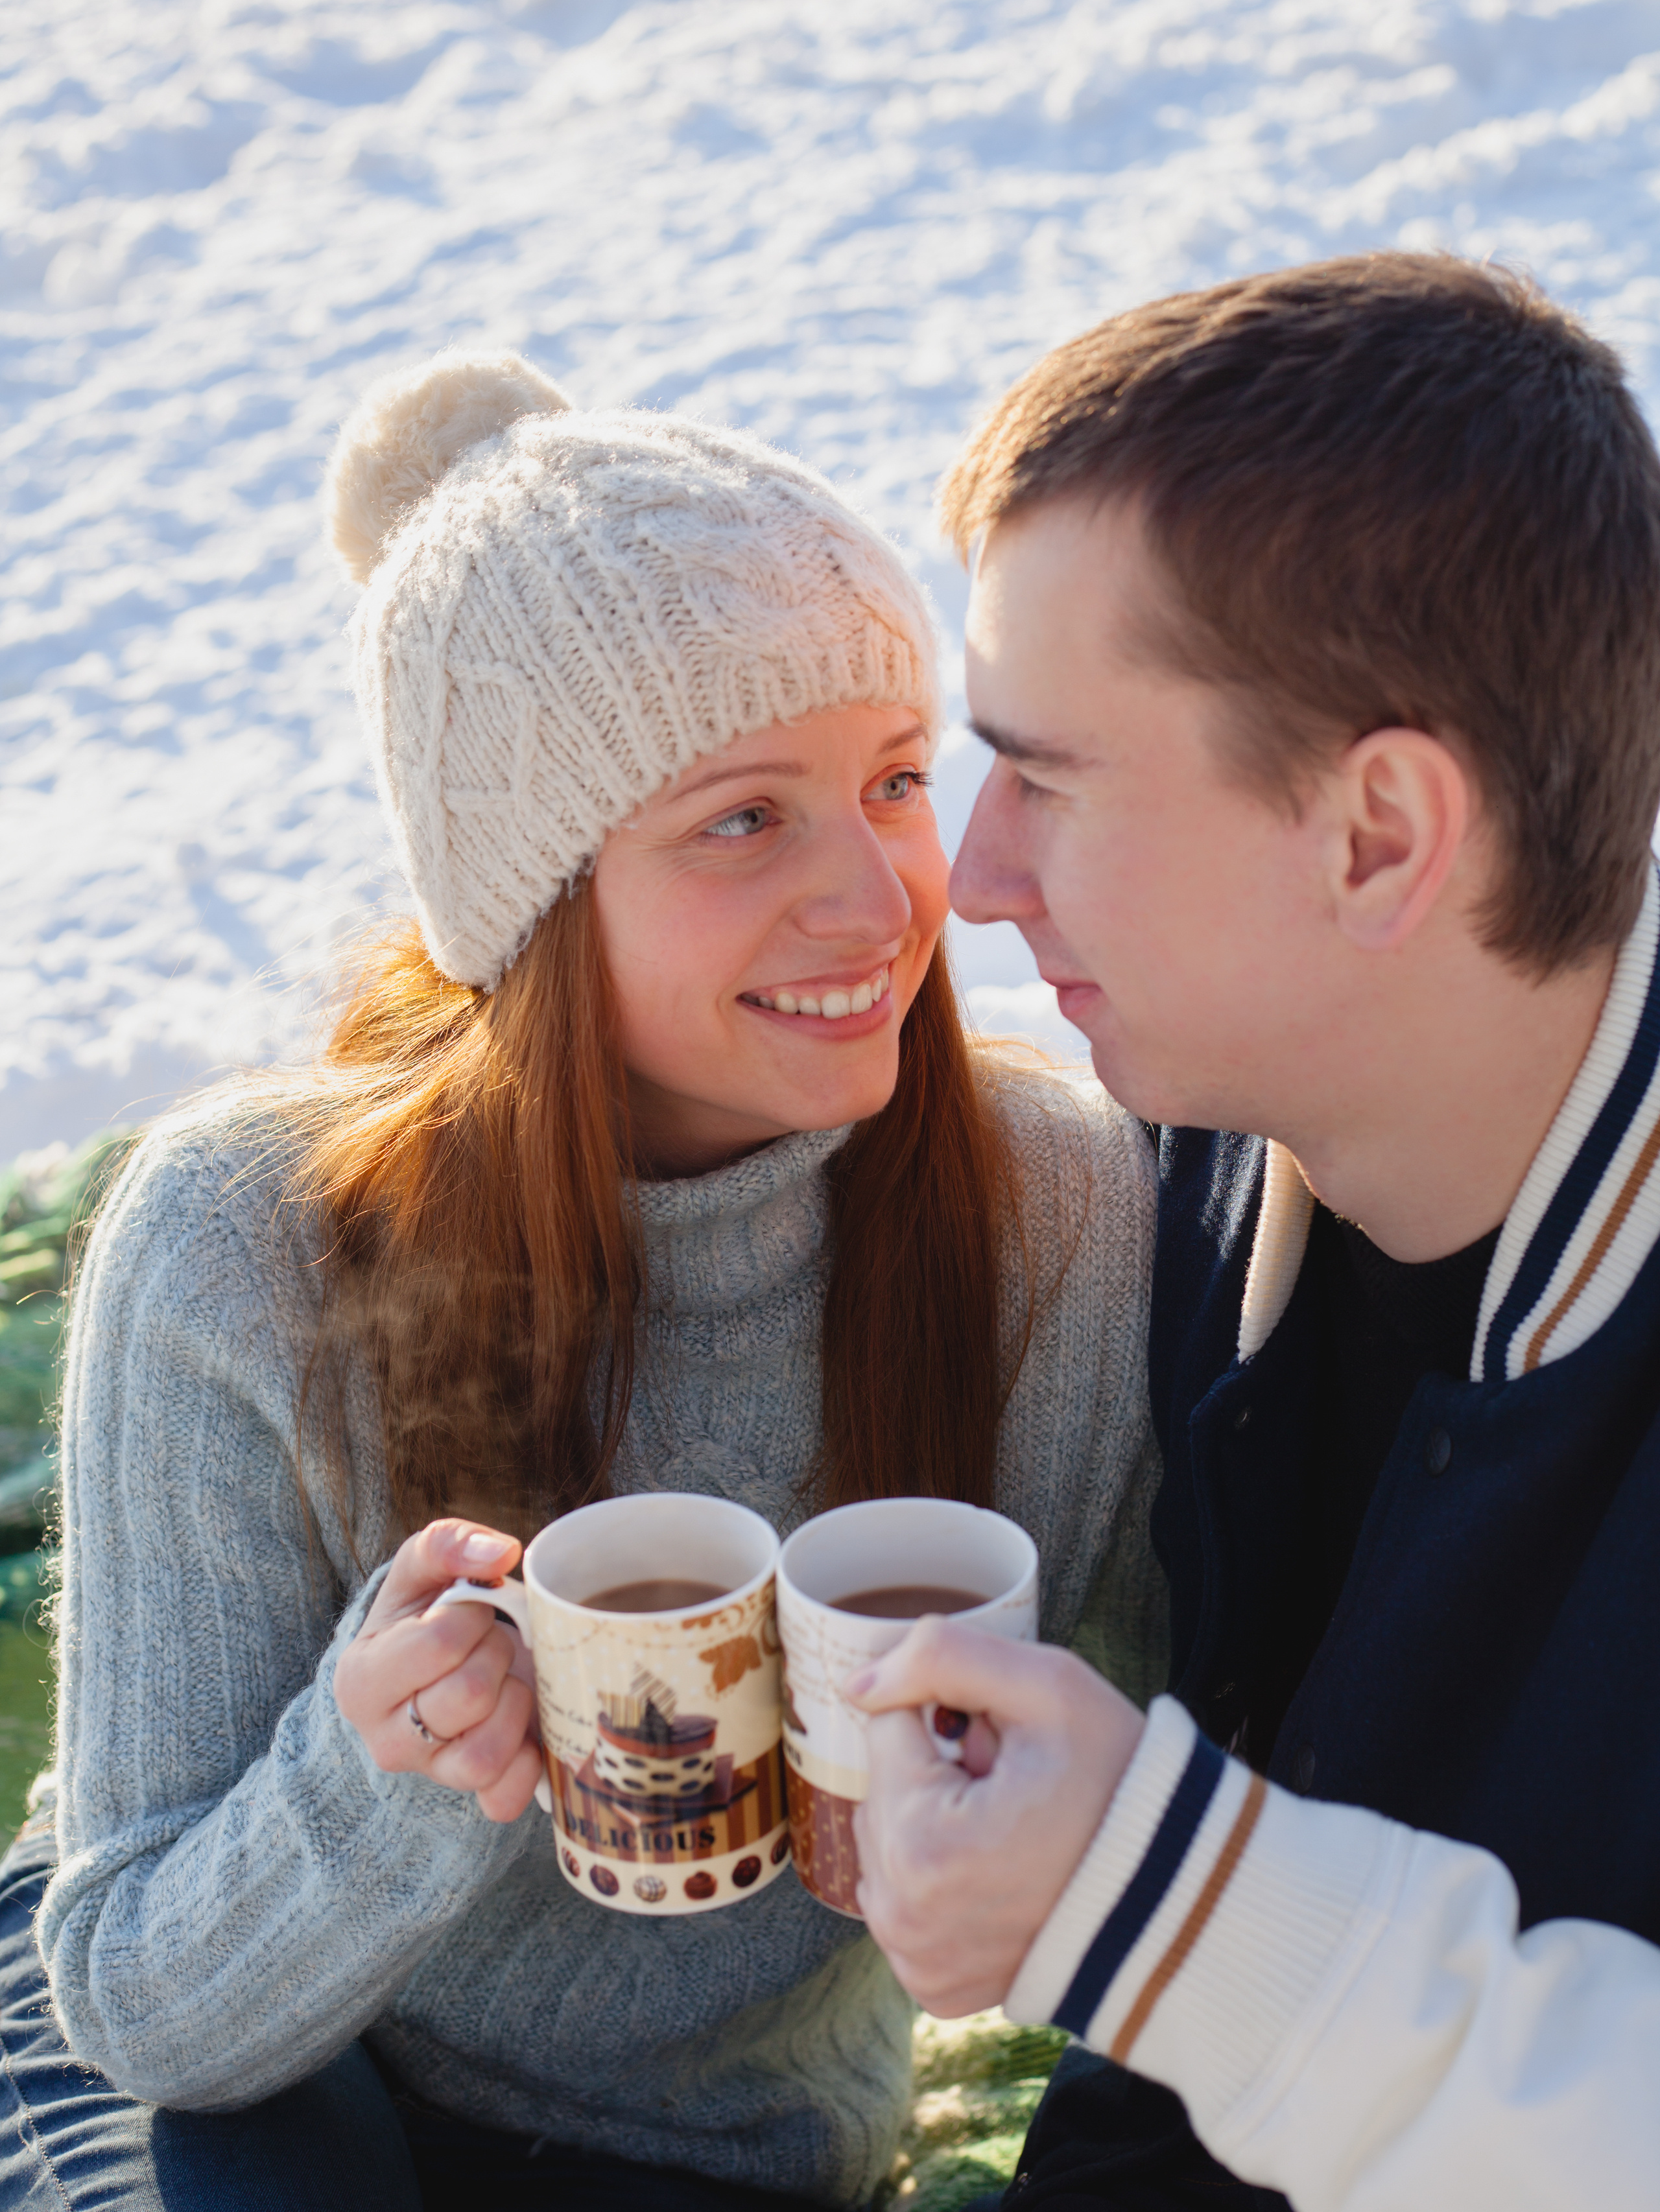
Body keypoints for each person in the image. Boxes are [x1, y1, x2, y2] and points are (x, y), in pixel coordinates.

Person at [0, 351, 1161, 2211]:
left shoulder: (1060, 1210)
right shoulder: (240, 1247)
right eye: (741, 817)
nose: (879, 901)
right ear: (534, 895)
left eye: (888, 783)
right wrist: (377, 1780)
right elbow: (144, 2001)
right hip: (264, 2078)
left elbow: (1203, 1793)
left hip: (716, 2156)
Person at [849, 255, 1660, 2209]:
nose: (966, 876)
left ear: (1379, 835)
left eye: (1043, 775)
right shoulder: (1203, 1157)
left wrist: (1175, 1911)